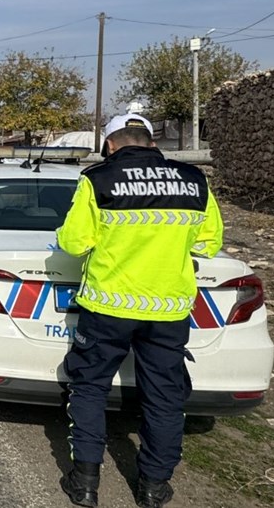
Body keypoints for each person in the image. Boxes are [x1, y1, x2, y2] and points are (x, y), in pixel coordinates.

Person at [57, 113, 223, 508]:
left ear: (110, 144)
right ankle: (153, 486)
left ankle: (85, 482)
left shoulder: (97, 180)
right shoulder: (194, 181)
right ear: (152, 142)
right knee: (164, 396)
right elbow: (208, 244)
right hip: (169, 308)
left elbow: (74, 243)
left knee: (90, 386)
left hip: (107, 306)